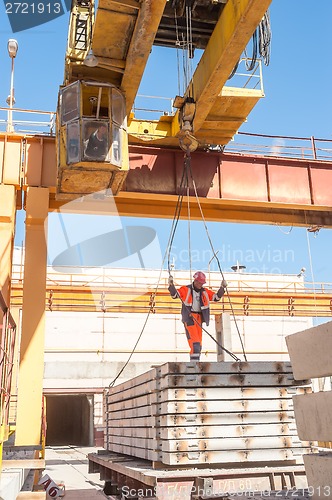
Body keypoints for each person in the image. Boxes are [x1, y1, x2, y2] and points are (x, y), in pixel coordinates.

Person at [168, 271, 227, 361]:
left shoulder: (205, 292)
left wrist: (222, 288)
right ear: (195, 281)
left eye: (202, 283)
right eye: (199, 283)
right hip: (190, 318)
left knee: (199, 344)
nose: (201, 285)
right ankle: (194, 365)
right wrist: (171, 285)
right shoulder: (186, 289)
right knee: (195, 343)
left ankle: (196, 362)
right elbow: (175, 295)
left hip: (199, 319)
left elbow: (216, 298)